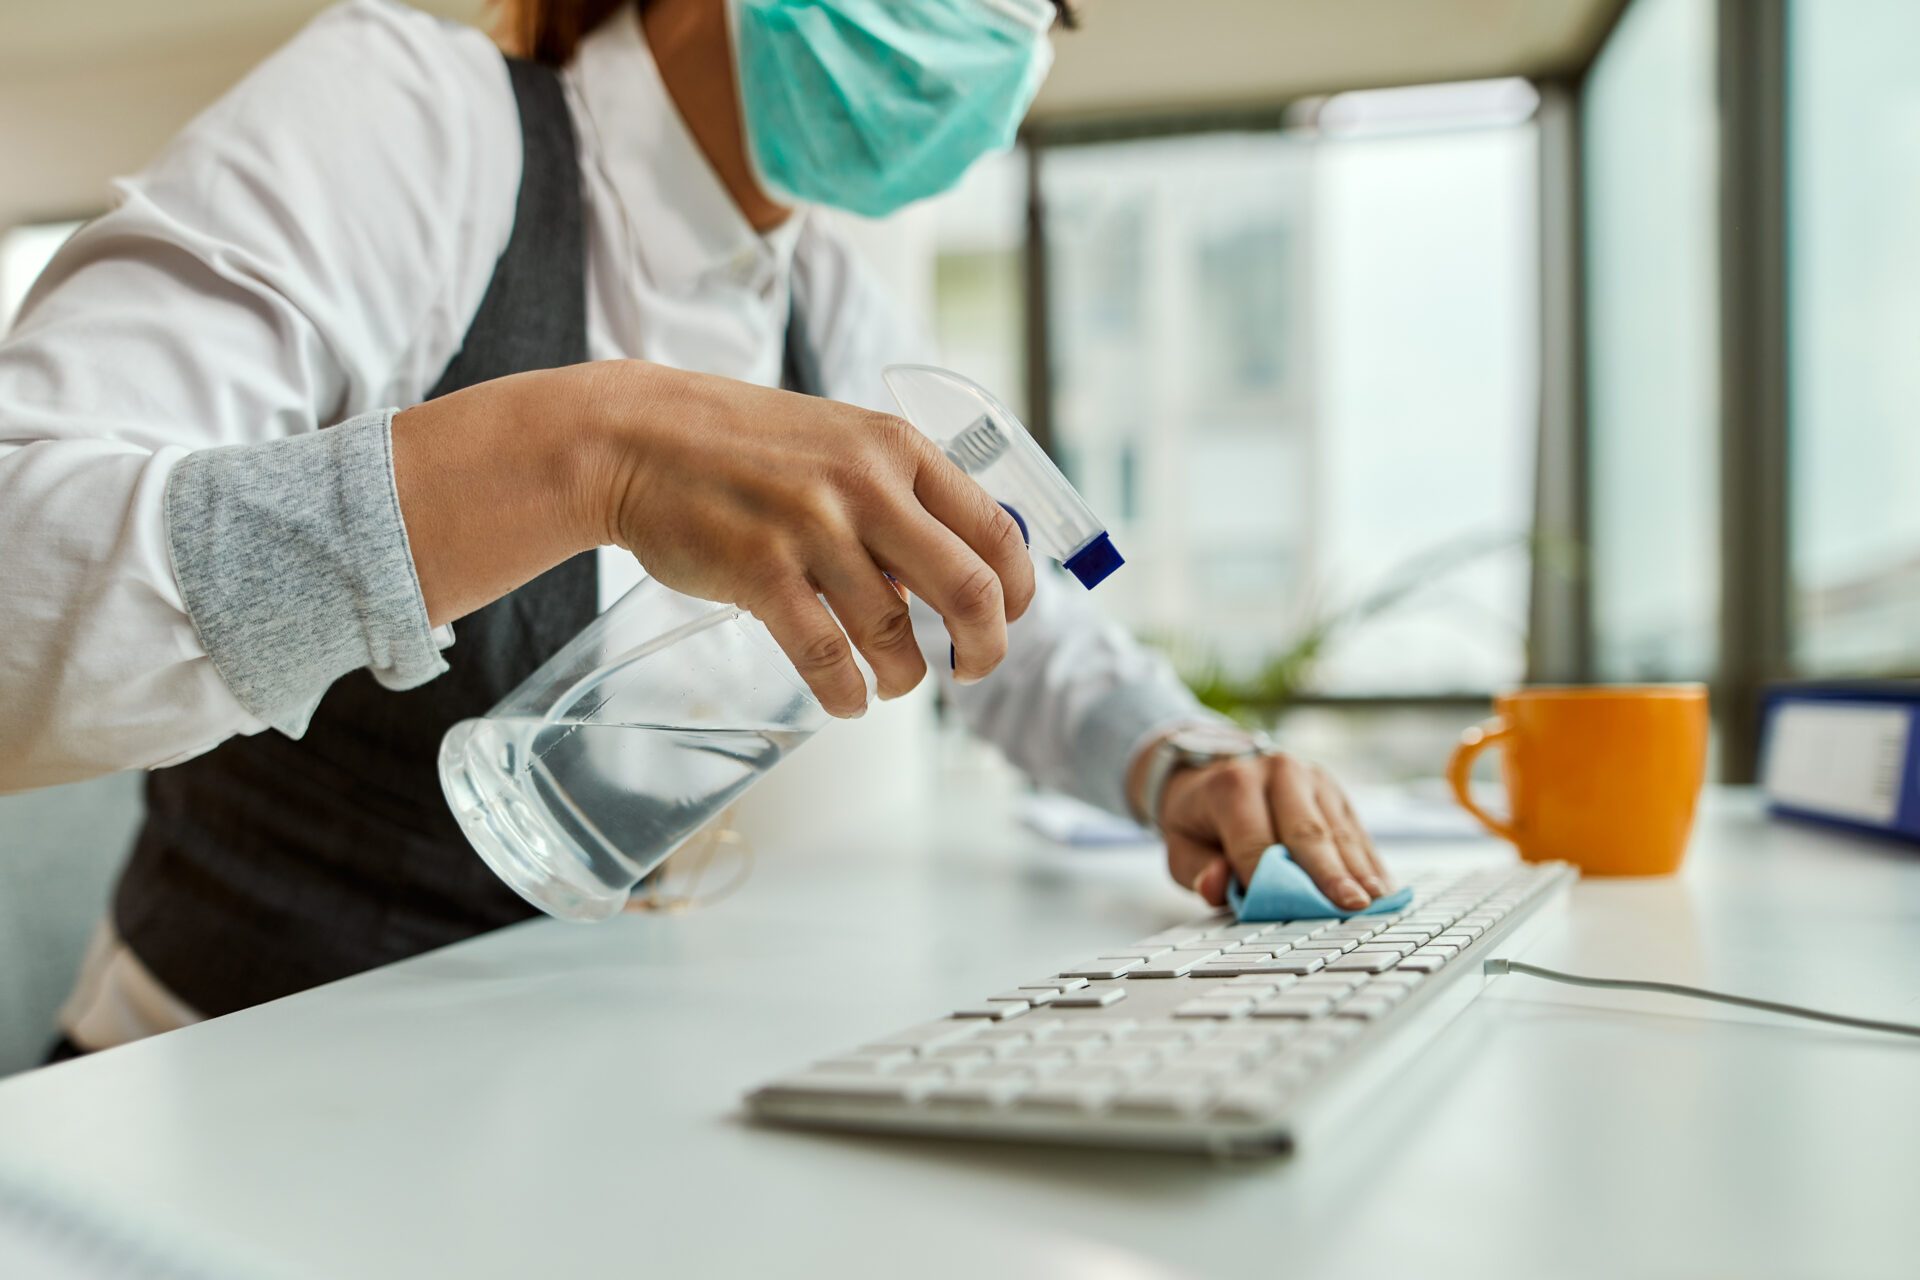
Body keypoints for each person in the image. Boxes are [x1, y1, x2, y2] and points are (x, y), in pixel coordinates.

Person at [0, 0, 1392, 1057]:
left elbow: (1011, 603)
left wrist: (1181, 763)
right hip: (214, 1083)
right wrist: (585, 450)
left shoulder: (821, 305)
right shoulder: (415, 118)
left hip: (533, 1095)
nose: (1007, 29)